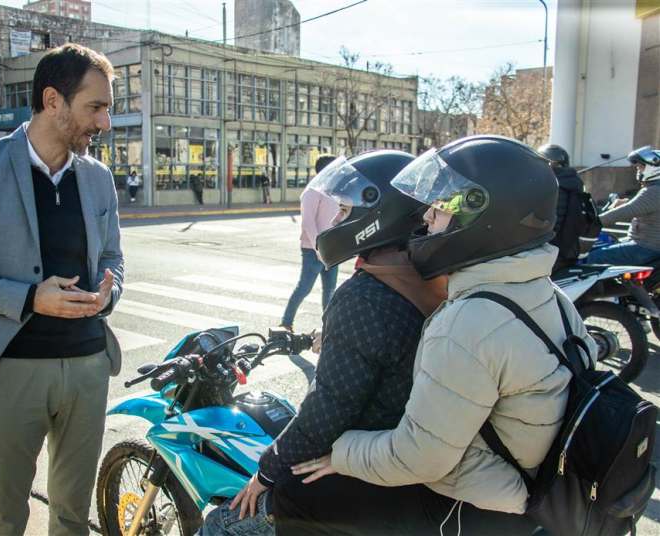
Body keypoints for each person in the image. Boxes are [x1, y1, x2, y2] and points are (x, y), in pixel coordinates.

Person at [276, 136, 598, 535]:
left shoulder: (469, 321)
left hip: (483, 508)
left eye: (441, 209)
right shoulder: (550, 296)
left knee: (293, 498)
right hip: (547, 487)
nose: (425, 218)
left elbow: (420, 459)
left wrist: (338, 454)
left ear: (485, 217)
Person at [0, 44, 124, 536]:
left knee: (74, 516)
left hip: (87, 367)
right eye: (94, 108)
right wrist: (30, 298)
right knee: (3, 518)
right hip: (11, 370)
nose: (105, 124)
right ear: (53, 100)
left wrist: (110, 291)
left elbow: (114, 260)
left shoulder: (98, 178)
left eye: (107, 109)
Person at [199, 150, 449, 536]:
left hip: (361, 478)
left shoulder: (363, 296)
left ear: (379, 214)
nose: (335, 221)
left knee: (222, 523)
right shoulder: (426, 275)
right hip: (406, 467)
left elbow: (325, 413)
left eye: (345, 211)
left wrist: (265, 472)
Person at [279, 155, 339, 330]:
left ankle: (327, 327)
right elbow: (308, 223)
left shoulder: (334, 191)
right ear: (326, 170)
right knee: (304, 288)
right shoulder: (312, 191)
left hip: (332, 248)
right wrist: (318, 246)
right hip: (313, 250)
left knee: (330, 291)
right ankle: (286, 323)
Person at [586, 145, 660, 266]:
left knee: (593, 258)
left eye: (641, 167)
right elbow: (644, 206)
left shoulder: (654, 191)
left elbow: (623, 213)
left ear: (653, 168)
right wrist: (625, 202)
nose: (638, 171)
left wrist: (590, 223)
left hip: (646, 247)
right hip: (648, 244)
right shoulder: (654, 189)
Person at [537, 143, 601, 272]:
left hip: (552, 253)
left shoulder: (556, 186)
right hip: (568, 250)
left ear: (548, 163)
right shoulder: (572, 182)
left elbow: (550, 225)